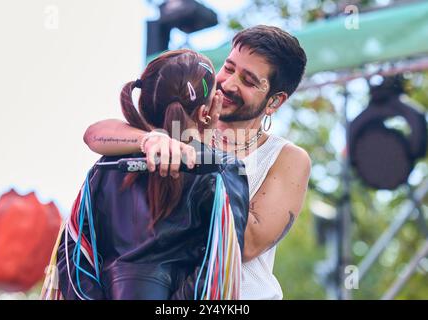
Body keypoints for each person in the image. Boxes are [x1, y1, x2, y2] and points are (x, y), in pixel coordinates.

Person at [83, 25, 311, 300]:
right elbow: (95, 135)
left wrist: (196, 145)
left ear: (274, 101)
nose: (228, 83)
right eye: (228, 68)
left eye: (248, 81)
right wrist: (149, 140)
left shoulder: (287, 157)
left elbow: (247, 243)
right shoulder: (177, 124)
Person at [40, 49, 250, 300]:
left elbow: (72, 253)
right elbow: (219, 264)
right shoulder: (221, 168)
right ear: (206, 110)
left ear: (145, 102)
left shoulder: (105, 166)